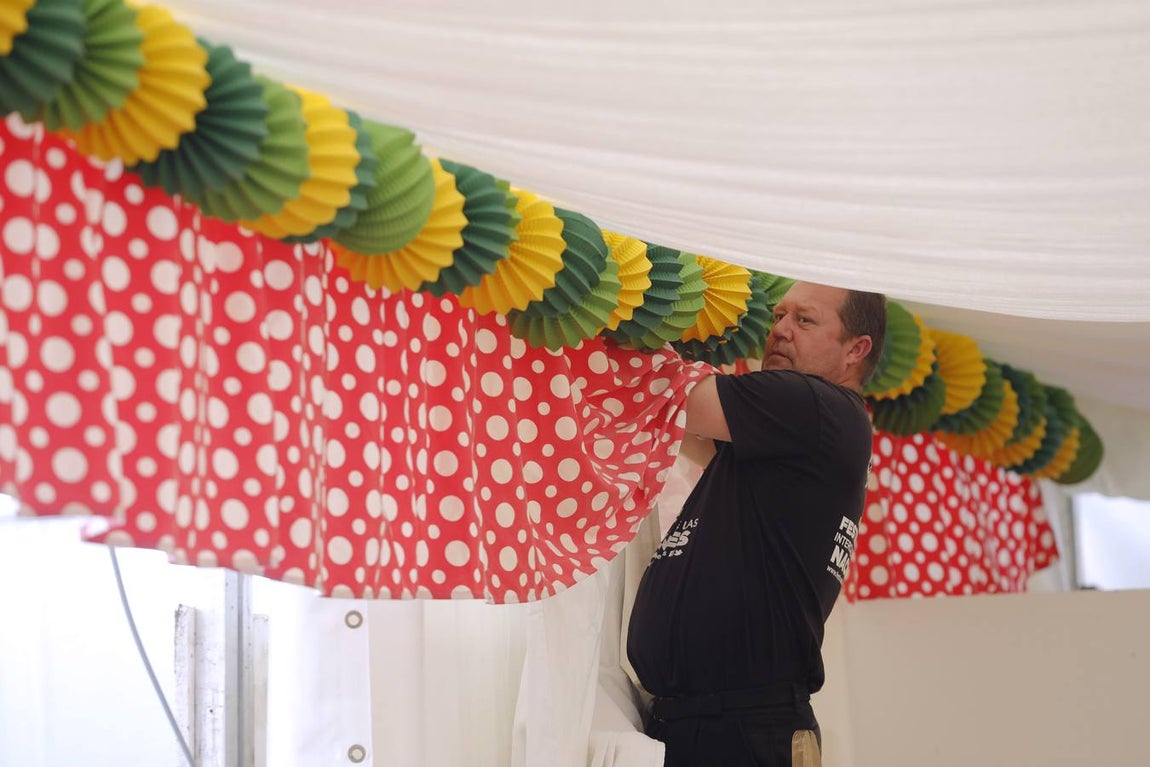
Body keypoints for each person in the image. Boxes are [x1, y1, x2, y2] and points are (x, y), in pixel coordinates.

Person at [626, 281, 887, 767]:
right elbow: (686, 431)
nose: (780, 330)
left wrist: (635, 315)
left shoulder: (815, 406)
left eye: (805, 320)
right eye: (779, 316)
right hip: (714, 725)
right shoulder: (798, 431)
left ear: (857, 348)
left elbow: (679, 402)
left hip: (741, 731)